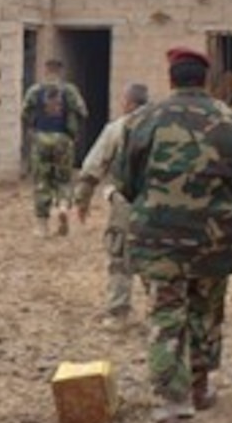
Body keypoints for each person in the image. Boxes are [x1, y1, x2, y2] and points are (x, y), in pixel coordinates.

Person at [111, 47, 232, 423]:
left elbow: (125, 182)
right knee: (206, 312)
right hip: (215, 239)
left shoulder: (143, 119)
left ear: (172, 78)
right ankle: (199, 387)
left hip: (158, 240)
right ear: (203, 78)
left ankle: (169, 410)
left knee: (166, 318)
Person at [73, 82, 150, 331]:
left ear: (128, 103)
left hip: (125, 202)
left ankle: (118, 312)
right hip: (160, 204)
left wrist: (81, 201)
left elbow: (93, 167)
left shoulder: (118, 128)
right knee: (157, 255)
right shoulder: (163, 127)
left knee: (120, 256)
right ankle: (159, 310)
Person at [20, 58, 88, 238]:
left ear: (45, 70)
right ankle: (63, 207)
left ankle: (42, 226)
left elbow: (24, 112)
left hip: (41, 138)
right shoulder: (70, 90)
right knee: (63, 179)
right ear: (60, 70)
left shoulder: (35, 90)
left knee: (42, 181)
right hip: (63, 139)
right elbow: (83, 111)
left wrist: (31, 130)